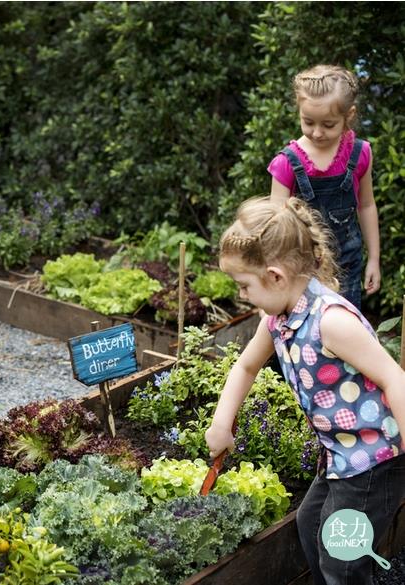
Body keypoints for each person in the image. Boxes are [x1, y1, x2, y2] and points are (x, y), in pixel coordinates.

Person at [205, 196, 405, 585]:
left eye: (244, 285)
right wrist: (221, 422)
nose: (242, 295)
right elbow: (246, 366)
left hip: (374, 459)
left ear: (276, 276)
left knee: (342, 559)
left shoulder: (331, 322)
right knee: (311, 523)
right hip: (341, 452)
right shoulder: (278, 319)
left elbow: (393, 377)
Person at [268, 64, 379, 311]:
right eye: (308, 122)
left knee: (343, 329)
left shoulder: (360, 153)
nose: (317, 133)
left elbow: (367, 206)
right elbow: (276, 224)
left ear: (348, 115)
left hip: (347, 267)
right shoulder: (287, 163)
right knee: (304, 333)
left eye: (328, 125)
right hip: (301, 269)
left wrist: (374, 258)